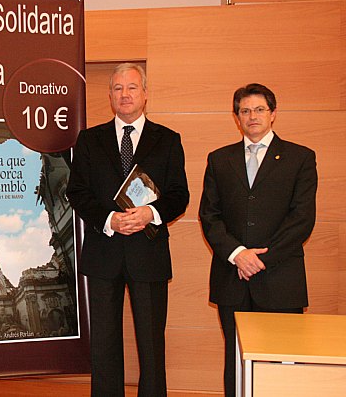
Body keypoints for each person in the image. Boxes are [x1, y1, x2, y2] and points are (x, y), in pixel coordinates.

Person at [66, 63, 189, 397]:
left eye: (132, 87)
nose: (125, 94)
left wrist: (150, 213)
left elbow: (179, 195)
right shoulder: (90, 139)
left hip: (148, 254)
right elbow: (77, 192)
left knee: (151, 344)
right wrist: (110, 219)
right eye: (118, 88)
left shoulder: (167, 139)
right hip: (103, 252)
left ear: (145, 94)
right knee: (103, 344)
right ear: (110, 96)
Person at [199, 83, 317, 397]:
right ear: (236, 117)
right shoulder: (219, 159)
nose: (252, 116)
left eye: (260, 109)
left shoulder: (300, 158)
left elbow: (302, 219)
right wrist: (238, 254)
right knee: (236, 362)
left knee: (281, 366)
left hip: (280, 278)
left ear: (273, 113)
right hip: (232, 278)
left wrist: (259, 259)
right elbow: (209, 216)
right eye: (245, 111)